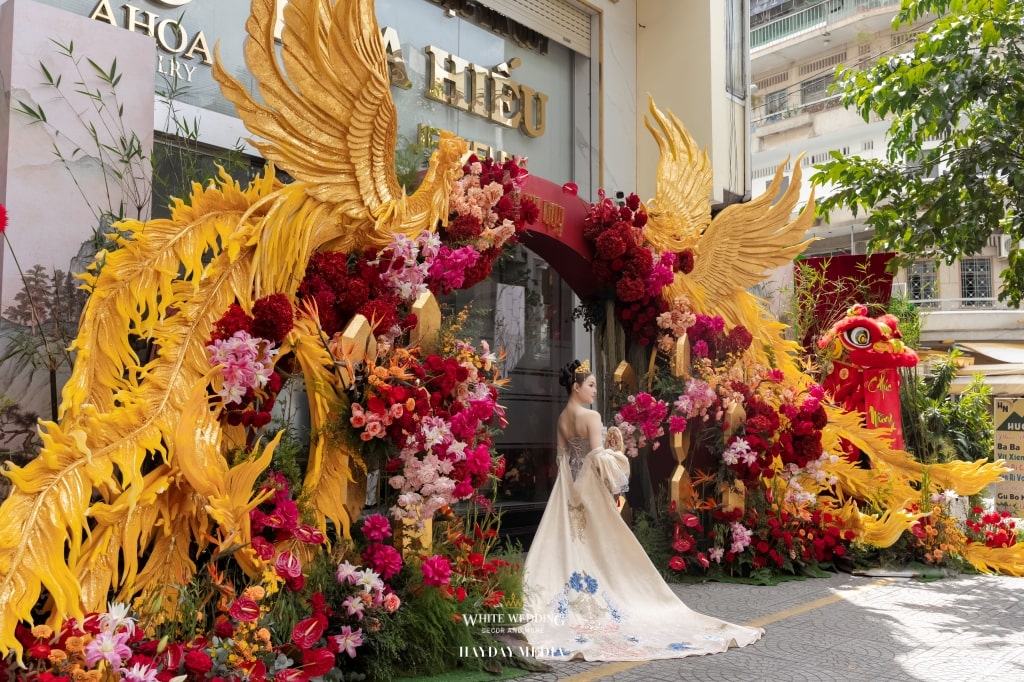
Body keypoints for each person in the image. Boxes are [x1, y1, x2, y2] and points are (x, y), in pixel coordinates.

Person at [521, 359, 763, 660]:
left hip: (570, 493)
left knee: (576, 547)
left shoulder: (561, 419)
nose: (595, 390)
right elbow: (598, 460)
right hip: (590, 492)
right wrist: (617, 456)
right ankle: (610, 597)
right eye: (591, 385)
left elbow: (563, 462)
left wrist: (571, 491)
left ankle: (572, 600)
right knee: (605, 547)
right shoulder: (591, 417)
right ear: (576, 386)